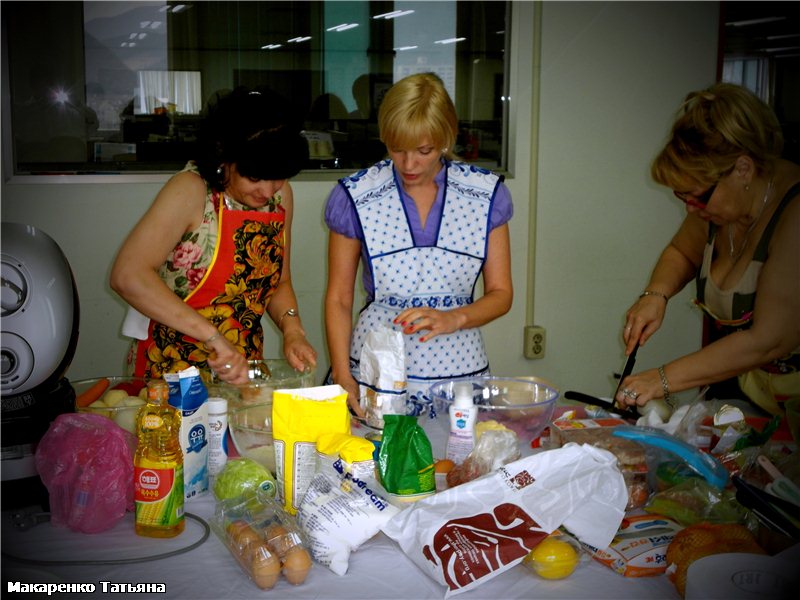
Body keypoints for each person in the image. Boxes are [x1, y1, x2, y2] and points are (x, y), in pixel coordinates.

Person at [323, 72, 514, 416]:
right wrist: (340, 373)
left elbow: (501, 295)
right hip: (376, 364)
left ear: (445, 138)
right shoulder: (356, 195)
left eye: (424, 151)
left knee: (455, 458)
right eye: (397, 149)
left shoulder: (485, 195)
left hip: (458, 369)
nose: (409, 164)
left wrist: (455, 318)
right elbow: (339, 298)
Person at [110, 86, 317, 385]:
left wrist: (293, 330)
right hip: (171, 370)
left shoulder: (279, 196)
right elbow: (127, 276)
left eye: (279, 176)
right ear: (224, 156)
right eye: (255, 177)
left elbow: (279, 281)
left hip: (243, 370)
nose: (268, 190)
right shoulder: (190, 191)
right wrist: (213, 336)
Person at [616, 82, 800, 416]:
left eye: (696, 196)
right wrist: (654, 296)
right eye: (681, 196)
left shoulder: (794, 215)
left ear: (743, 169)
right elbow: (682, 252)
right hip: (754, 393)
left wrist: (660, 379)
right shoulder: (716, 205)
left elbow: (770, 340)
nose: (690, 209)